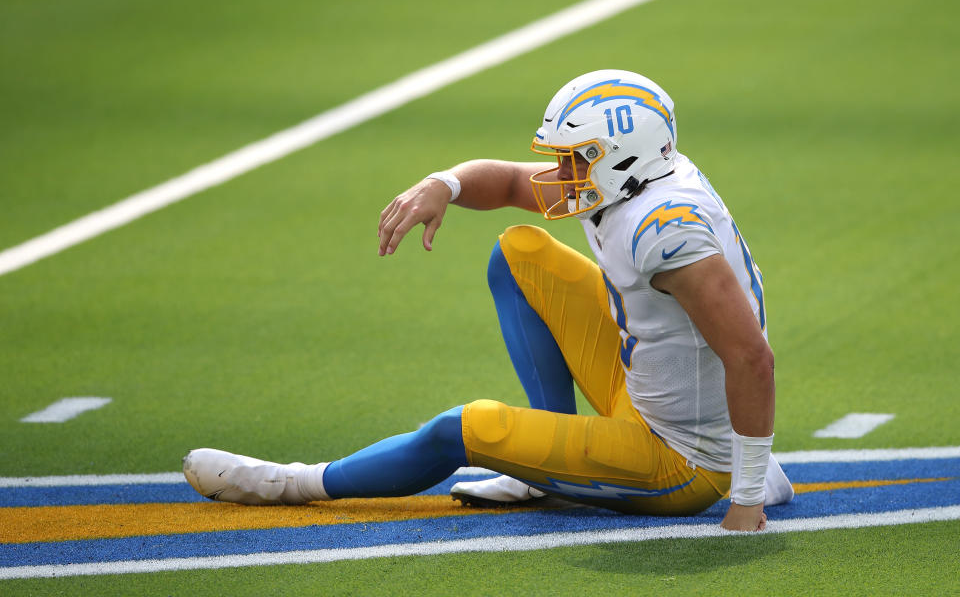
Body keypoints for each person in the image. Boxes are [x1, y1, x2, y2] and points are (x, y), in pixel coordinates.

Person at [183, 70, 793, 531]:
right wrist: (441, 185)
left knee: (464, 428)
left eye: (575, 158)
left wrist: (740, 496)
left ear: (619, 159)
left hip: (678, 458)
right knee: (519, 251)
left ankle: (292, 484)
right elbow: (502, 182)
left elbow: (750, 357)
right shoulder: (641, 180)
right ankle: (544, 468)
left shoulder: (666, 231)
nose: (560, 171)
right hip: (645, 389)